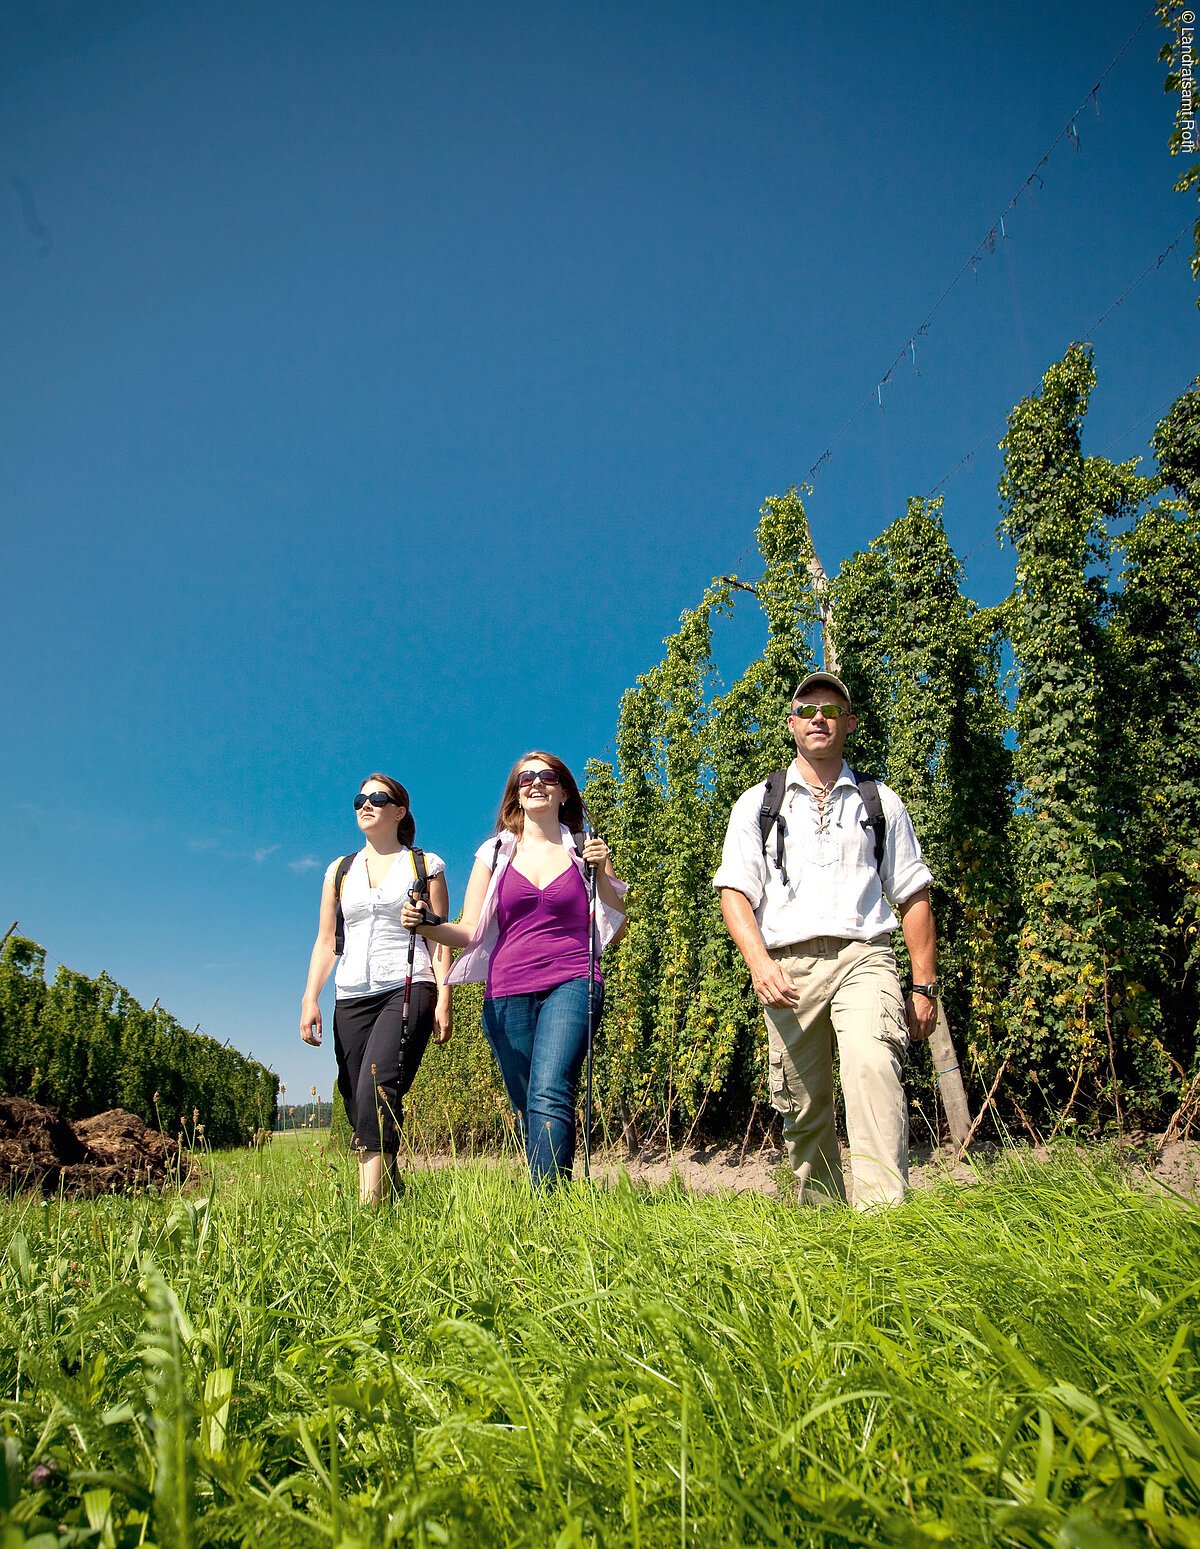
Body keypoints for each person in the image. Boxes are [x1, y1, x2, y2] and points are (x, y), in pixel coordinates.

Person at [713, 672, 937, 1208]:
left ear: (849, 724)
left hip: (866, 955)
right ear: (791, 723)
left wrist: (925, 985)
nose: (819, 718)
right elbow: (735, 892)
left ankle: (887, 1221)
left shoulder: (880, 802)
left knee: (873, 1068)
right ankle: (823, 1221)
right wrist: (758, 963)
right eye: (808, 709)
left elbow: (912, 894)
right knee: (803, 1103)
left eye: (831, 710)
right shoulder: (757, 804)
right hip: (787, 969)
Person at [403, 752, 626, 1189]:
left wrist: (601, 874)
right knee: (528, 1100)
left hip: (574, 979)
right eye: (526, 777)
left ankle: (549, 1205)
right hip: (506, 990)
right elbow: (468, 931)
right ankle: (552, 1184)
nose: (535, 783)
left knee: (550, 1087)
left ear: (563, 792)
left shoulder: (585, 849)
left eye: (547, 776)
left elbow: (614, 929)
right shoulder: (496, 851)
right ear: (516, 794)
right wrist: (430, 923)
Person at [300, 773, 452, 1203]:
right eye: (359, 799)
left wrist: (445, 997)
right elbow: (327, 940)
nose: (365, 805)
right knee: (353, 1095)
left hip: (407, 985)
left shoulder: (425, 866)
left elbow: (440, 940)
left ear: (399, 811)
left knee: (377, 1086)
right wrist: (310, 996)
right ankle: (392, 1177)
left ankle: (371, 1207)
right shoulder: (339, 870)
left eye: (378, 798)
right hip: (350, 994)